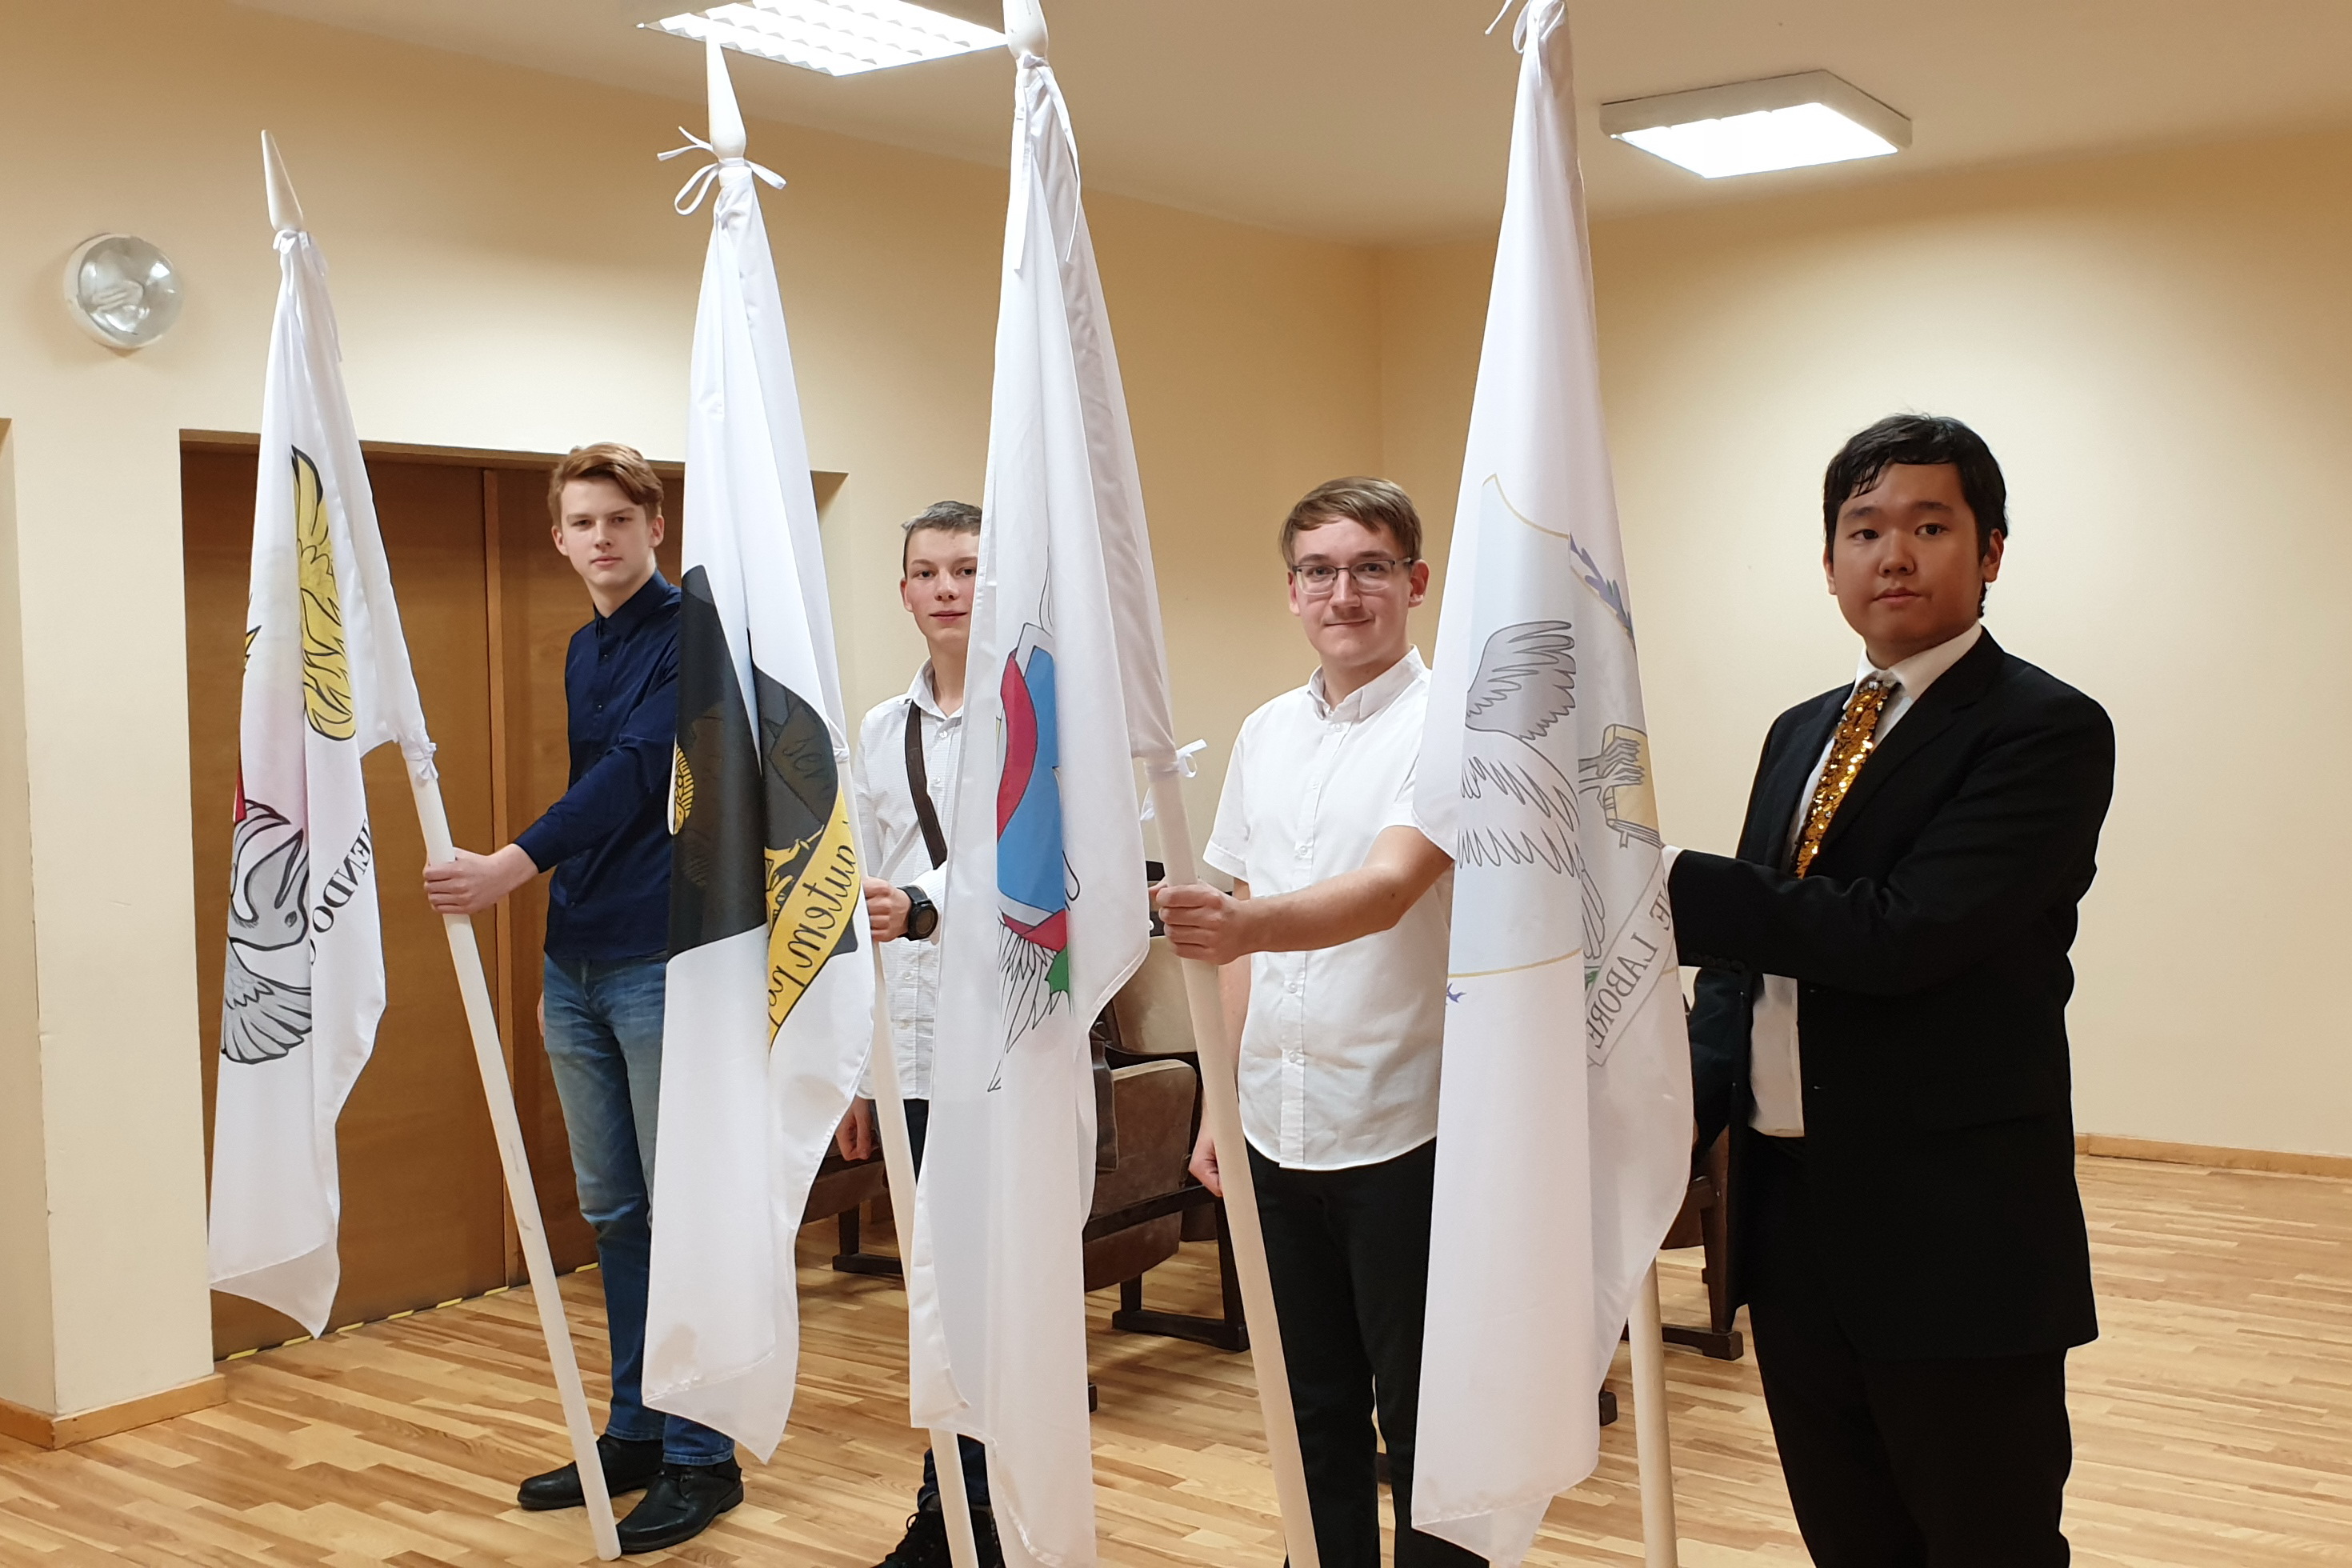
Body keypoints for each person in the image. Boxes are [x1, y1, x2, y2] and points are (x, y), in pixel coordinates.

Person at [1667, 414, 2114, 1566]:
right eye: (1864, 531)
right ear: (1829, 564)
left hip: (1951, 1229)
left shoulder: (2044, 729)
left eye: (1930, 526)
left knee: (1985, 1541)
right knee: (1849, 1537)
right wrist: (1675, 1123)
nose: (1894, 556)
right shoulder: (1800, 732)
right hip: (1790, 1215)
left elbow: (1903, 935)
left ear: (1992, 550)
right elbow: (1742, 971)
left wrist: (1658, 885)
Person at [422, 442, 742, 1554]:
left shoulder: (693, 633)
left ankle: (703, 1456)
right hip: (579, 963)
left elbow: (640, 774)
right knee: (615, 1212)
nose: (602, 538)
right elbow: (595, 789)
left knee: (683, 1206)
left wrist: (512, 864)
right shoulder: (582, 645)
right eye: (582, 523)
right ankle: (638, 1429)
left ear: (655, 526)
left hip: (662, 957)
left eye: (619, 518)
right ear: (558, 539)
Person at [1156, 478, 1480, 1568]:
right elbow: (1240, 930)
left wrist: (1238, 924)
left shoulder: (1455, 726)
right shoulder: (1267, 732)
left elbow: (1386, 891)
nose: (1344, 594)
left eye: (1370, 567)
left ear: (1415, 582)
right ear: (1292, 592)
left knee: (1427, 1414)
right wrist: (1219, 1099)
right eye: (1320, 572)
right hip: (1275, 1126)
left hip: (1406, 1122)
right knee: (1309, 1407)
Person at [837, 502, 1003, 1568]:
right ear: (904, 592)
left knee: (996, 1291)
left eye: (969, 569)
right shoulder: (877, 731)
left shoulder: (1034, 717)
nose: (948, 588)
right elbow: (862, 909)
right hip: (914, 1054)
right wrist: (862, 1072)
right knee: (938, 1292)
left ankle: (987, 1511)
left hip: (1008, 1050)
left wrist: (931, 905)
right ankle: (949, 1508)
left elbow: (1053, 876)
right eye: (929, 572)